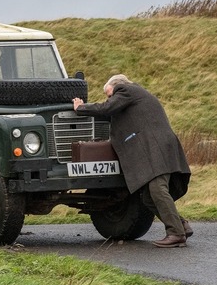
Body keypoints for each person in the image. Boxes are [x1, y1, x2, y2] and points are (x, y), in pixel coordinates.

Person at [73, 74, 192, 248]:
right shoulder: (135, 97)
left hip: (155, 148)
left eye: (109, 95)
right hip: (158, 146)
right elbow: (112, 114)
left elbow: (107, 108)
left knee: (157, 189)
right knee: (149, 197)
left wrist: (81, 108)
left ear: (116, 87)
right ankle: (181, 225)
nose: (110, 98)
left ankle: (176, 234)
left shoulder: (126, 89)